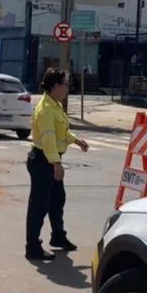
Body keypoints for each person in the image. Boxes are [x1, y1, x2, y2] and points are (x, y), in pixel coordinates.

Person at [25, 68, 89, 261]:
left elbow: (60, 132)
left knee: (57, 200)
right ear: (55, 87)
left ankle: (58, 236)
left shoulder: (54, 106)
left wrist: (76, 140)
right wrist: (56, 164)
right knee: (40, 205)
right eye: (65, 85)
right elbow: (48, 139)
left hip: (50, 160)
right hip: (43, 161)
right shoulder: (45, 109)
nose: (67, 89)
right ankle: (33, 246)